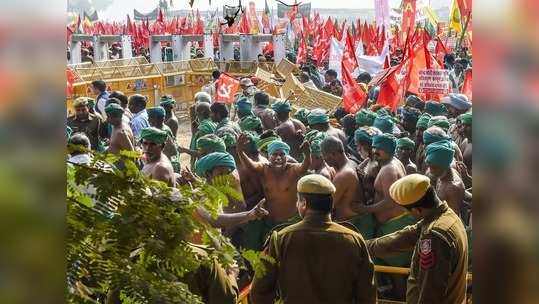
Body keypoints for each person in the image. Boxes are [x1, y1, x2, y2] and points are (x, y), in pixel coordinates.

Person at [250, 174, 377, 304]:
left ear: (304, 203)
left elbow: (259, 291)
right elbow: (368, 295)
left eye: (298, 201)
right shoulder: (354, 239)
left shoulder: (281, 239)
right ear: (330, 204)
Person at [366, 174, 468, 304]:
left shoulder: (435, 236)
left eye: (408, 211)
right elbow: (401, 238)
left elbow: (431, 293)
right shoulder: (445, 216)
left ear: (417, 210)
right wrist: (361, 246)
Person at [357, 133, 416, 298]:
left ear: (389, 149)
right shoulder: (390, 163)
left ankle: (399, 300)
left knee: (397, 273)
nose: (375, 151)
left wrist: (365, 209)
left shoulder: (389, 169)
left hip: (394, 223)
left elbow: (391, 202)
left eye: (380, 148)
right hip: (393, 223)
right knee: (397, 272)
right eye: (374, 147)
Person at [236, 136, 311, 250]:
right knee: (268, 252)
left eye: (282, 154)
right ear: (269, 156)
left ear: (287, 156)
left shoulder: (293, 169)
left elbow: (304, 167)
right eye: (274, 154)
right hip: (270, 222)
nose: (278, 158)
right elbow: (251, 166)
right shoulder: (264, 169)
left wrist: (307, 154)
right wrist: (240, 151)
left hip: (291, 222)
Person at [425, 140, 465, 216]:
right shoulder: (441, 175)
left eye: (432, 167)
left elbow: (452, 219)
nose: (429, 170)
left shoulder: (452, 188)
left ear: (442, 165)